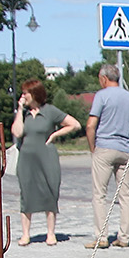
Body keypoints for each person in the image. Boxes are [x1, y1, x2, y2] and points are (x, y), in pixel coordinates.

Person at [11, 78, 81, 246]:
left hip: (46, 157)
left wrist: (56, 134)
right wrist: (20, 110)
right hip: (27, 159)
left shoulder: (49, 111)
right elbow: (17, 133)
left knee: (50, 192)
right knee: (26, 194)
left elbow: (75, 124)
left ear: (35, 93)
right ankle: (26, 234)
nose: (23, 95)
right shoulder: (24, 114)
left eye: (26, 93)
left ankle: (51, 233)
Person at [85, 65, 129, 248]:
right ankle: (124, 237)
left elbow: (91, 125)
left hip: (104, 147)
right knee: (125, 195)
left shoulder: (101, 96)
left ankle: (102, 237)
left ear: (103, 78)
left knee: (100, 194)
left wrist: (92, 147)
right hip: (125, 150)